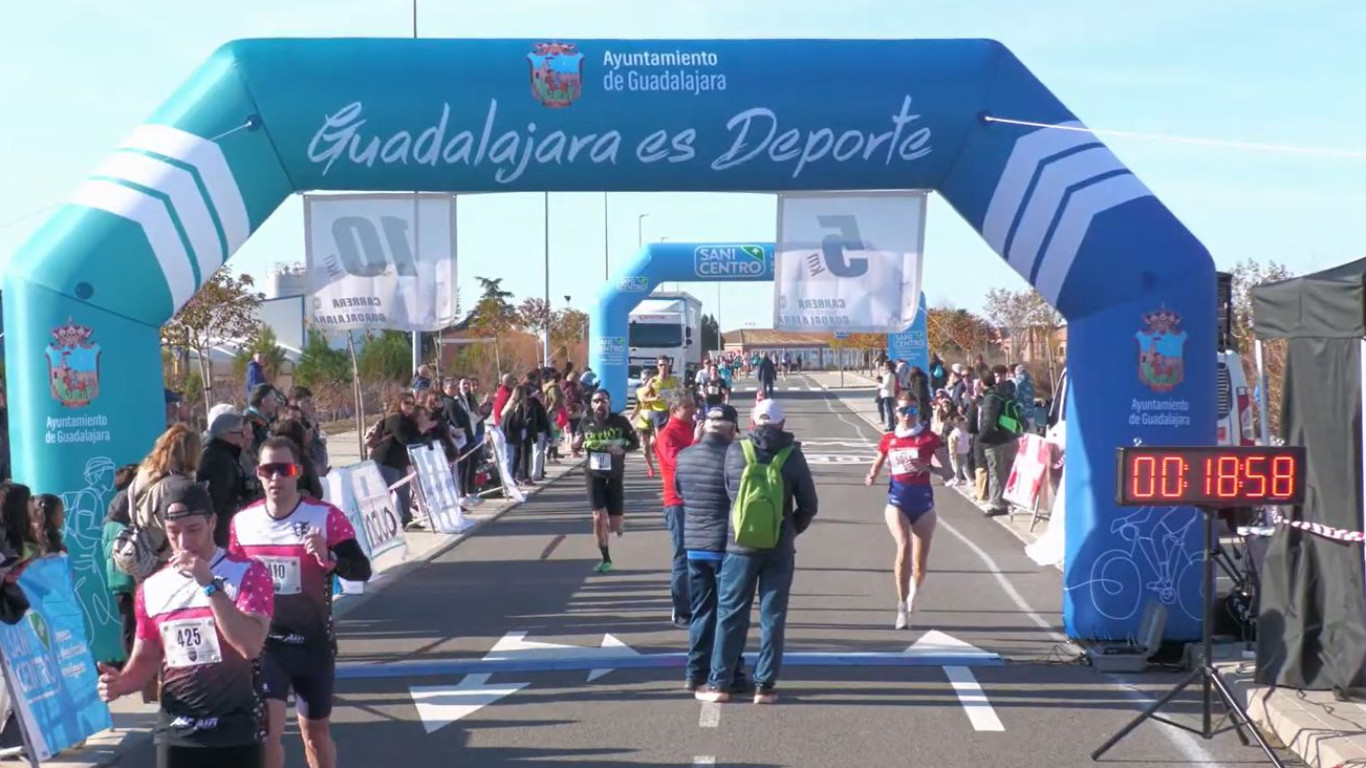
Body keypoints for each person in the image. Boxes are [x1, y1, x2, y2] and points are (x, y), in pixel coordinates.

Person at [97, 476, 274, 768]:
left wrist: (208, 584)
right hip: (177, 732)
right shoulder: (151, 588)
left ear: (213, 523)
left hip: (235, 731)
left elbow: (250, 645)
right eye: (173, 532)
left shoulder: (248, 574)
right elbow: (146, 658)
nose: (183, 542)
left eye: (194, 530)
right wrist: (122, 683)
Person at [230, 437, 372, 768]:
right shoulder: (243, 522)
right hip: (267, 646)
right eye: (268, 470)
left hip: (313, 644)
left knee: (314, 733)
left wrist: (330, 556)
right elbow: (231, 580)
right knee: (267, 732)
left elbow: (361, 570)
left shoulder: (326, 517)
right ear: (258, 473)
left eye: (284, 469)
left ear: (298, 472)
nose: (276, 478)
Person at [697, 399, 818, 705]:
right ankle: (765, 686)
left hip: (740, 545)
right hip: (778, 548)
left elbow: (729, 491)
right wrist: (788, 529)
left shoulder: (737, 451)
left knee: (731, 614)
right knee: (772, 616)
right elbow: (809, 505)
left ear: (752, 422)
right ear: (782, 423)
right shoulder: (793, 456)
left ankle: (720, 683)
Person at [865, 392, 955, 629]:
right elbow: (879, 459)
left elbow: (949, 473)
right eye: (903, 410)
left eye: (912, 411)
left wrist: (926, 467)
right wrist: (872, 474)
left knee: (919, 564)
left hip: (924, 505)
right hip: (897, 502)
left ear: (918, 413)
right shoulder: (889, 439)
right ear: (896, 412)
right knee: (903, 544)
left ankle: (913, 595)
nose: (907, 415)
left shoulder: (929, 439)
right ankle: (902, 605)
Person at [674, 404, 745, 693]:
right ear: (730, 428)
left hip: (694, 543)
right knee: (729, 612)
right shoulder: (734, 455)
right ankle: (729, 671)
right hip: (724, 543)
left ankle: (694, 671)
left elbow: (679, 491)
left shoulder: (685, 455)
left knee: (702, 610)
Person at [572, 390, 640, 574]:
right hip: (594, 474)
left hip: (615, 474)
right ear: (592, 405)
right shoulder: (586, 422)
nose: (600, 404)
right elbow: (574, 445)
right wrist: (576, 443)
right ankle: (606, 558)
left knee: (615, 524)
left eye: (603, 400)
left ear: (609, 403)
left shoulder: (620, 422)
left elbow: (635, 443)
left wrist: (622, 448)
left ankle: (618, 522)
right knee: (598, 516)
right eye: (596, 401)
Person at [654, 391, 697, 627]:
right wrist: (698, 440)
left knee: (701, 555)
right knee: (682, 554)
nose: (693, 410)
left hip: (699, 500)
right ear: (674, 410)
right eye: (687, 407)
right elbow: (681, 461)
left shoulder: (693, 428)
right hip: (677, 502)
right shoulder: (666, 435)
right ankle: (681, 609)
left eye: (693, 405)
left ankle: (699, 602)